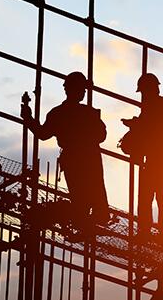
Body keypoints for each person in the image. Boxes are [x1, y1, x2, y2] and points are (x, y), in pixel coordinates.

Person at [21, 71, 109, 233]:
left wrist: (28, 119)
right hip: (89, 157)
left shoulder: (58, 113)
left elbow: (42, 134)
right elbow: (102, 136)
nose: (83, 93)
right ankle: (92, 221)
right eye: (82, 89)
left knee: (80, 195)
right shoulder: (87, 112)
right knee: (95, 192)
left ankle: (83, 222)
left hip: (73, 159)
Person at [122, 73, 163, 244]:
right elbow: (147, 128)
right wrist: (136, 124)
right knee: (150, 198)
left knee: (159, 199)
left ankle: (158, 235)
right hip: (156, 161)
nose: (143, 97)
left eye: (143, 93)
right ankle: (148, 233)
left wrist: (136, 124)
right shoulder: (153, 109)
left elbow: (155, 126)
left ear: (152, 90)